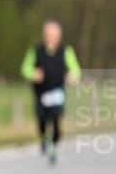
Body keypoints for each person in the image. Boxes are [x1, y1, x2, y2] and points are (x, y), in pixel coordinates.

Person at [20, 20, 81, 166]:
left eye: (53, 35)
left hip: (57, 92)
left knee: (55, 119)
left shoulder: (66, 50)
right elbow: (25, 68)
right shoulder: (35, 50)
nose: (50, 38)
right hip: (41, 93)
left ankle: (53, 145)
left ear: (59, 36)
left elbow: (75, 68)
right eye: (48, 35)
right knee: (41, 120)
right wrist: (33, 74)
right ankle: (43, 139)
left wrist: (73, 76)